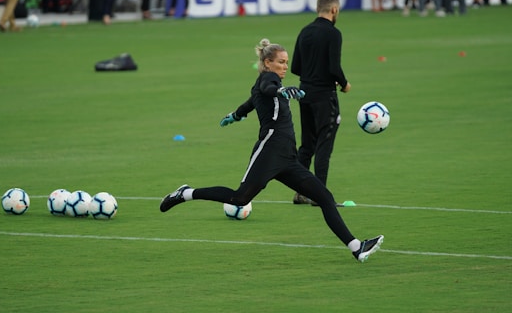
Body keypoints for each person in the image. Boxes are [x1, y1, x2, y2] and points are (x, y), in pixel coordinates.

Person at [159, 38, 384, 263]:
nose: (285, 66)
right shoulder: (269, 79)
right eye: (281, 62)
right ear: (268, 63)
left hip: (287, 157)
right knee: (239, 198)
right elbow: (268, 89)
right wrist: (282, 90)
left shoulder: (265, 82)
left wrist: (236, 115)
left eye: (286, 62)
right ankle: (185, 193)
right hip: (270, 150)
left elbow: (251, 102)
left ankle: (357, 247)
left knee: (324, 197)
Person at [290, 0, 350, 205]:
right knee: (324, 146)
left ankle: (300, 192)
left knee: (307, 146)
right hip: (325, 96)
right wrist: (344, 83)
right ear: (334, 9)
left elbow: (295, 67)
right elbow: (334, 67)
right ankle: (320, 196)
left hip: (304, 94)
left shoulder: (305, 32)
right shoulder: (334, 34)